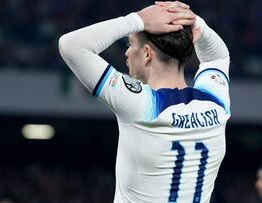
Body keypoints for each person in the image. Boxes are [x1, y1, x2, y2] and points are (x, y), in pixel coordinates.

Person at [59, 1, 230, 202]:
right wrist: (192, 20)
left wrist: (137, 19)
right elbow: (217, 58)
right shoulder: (216, 103)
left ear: (147, 54)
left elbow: (71, 45)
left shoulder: (141, 105)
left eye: (130, 44)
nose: (126, 52)